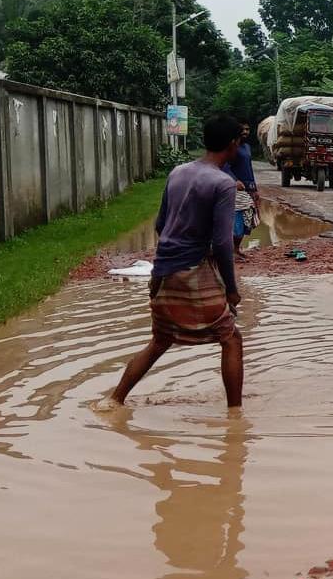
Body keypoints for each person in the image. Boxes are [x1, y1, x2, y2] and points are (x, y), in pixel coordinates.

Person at [98, 114, 245, 410]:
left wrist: (158, 273)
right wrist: (231, 288)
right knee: (231, 338)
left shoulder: (178, 172)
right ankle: (235, 418)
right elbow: (222, 243)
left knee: (160, 341)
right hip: (191, 270)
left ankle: (114, 400)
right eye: (240, 143)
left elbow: (160, 225)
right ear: (232, 145)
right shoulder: (223, 184)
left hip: (164, 269)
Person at [222, 119, 259, 259]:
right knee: (237, 222)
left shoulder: (247, 147)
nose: (245, 132)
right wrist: (234, 180)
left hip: (248, 188)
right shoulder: (232, 147)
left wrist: (255, 189)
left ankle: (236, 249)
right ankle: (230, 251)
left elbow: (249, 168)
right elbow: (225, 165)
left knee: (247, 220)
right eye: (242, 129)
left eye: (247, 129)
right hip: (236, 190)